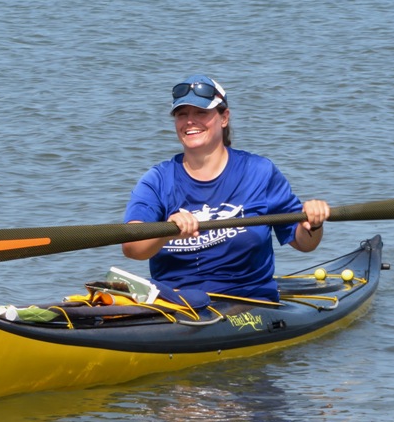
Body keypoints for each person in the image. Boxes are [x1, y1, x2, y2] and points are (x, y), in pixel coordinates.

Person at [122, 74, 330, 302]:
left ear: (224, 118)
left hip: (246, 300)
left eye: (201, 112)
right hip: (176, 303)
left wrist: (314, 222)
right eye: (182, 114)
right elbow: (132, 248)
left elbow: (304, 243)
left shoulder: (259, 172)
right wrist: (166, 230)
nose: (190, 121)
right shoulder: (157, 180)